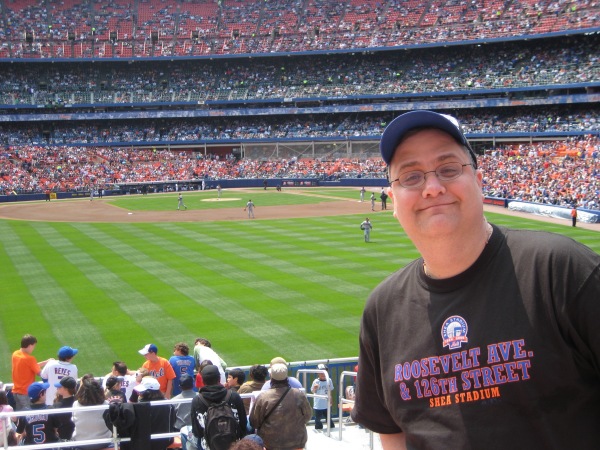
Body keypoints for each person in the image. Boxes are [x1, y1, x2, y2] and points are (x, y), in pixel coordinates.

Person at [351, 110, 600, 449]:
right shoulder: (382, 309)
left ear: (479, 182)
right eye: (411, 177)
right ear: (393, 201)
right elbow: (390, 429)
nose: (433, 188)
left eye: (449, 169)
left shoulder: (563, 270)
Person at [249, 363, 312, 450]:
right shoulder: (298, 394)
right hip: (296, 443)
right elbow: (308, 416)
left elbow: (254, 422)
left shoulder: (263, 397)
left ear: (271, 377)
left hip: (271, 444)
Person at [189, 364, 247, 450]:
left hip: (208, 446)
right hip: (234, 445)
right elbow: (243, 423)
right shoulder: (234, 396)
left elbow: (197, 431)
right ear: (219, 378)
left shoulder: (197, 400)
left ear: (203, 381)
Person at [71, 374, 112, 450]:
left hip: (81, 443)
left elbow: (74, 421)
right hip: (103, 442)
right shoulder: (107, 404)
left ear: (82, 391)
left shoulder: (75, 404)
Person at [135, 376, 176, 450]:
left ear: (148, 392)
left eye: (141, 391)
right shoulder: (169, 404)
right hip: (165, 441)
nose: (139, 393)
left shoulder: (140, 406)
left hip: (145, 442)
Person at [11, 334, 51, 411]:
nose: (33, 348)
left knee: (20, 415)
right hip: (25, 393)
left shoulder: (15, 354)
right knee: (28, 415)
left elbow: (30, 366)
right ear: (29, 345)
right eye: (33, 346)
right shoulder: (30, 359)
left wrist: (46, 362)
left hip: (15, 392)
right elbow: (41, 373)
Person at [310, 363, 335, 430]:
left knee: (328, 417)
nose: (323, 374)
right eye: (321, 372)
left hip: (326, 403)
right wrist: (315, 388)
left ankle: (331, 427)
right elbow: (312, 391)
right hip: (318, 405)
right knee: (317, 418)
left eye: (324, 371)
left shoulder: (329, 380)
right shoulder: (316, 381)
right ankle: (318, 427)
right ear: (318, 373)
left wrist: (331, 398)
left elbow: (330, 390)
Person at [53, 375, 77, 440]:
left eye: (60, 387)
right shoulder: (78, 403)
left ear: (66, 389)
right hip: (75, 437)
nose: (57, 388)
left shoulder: (57, 405)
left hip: (61, 438)